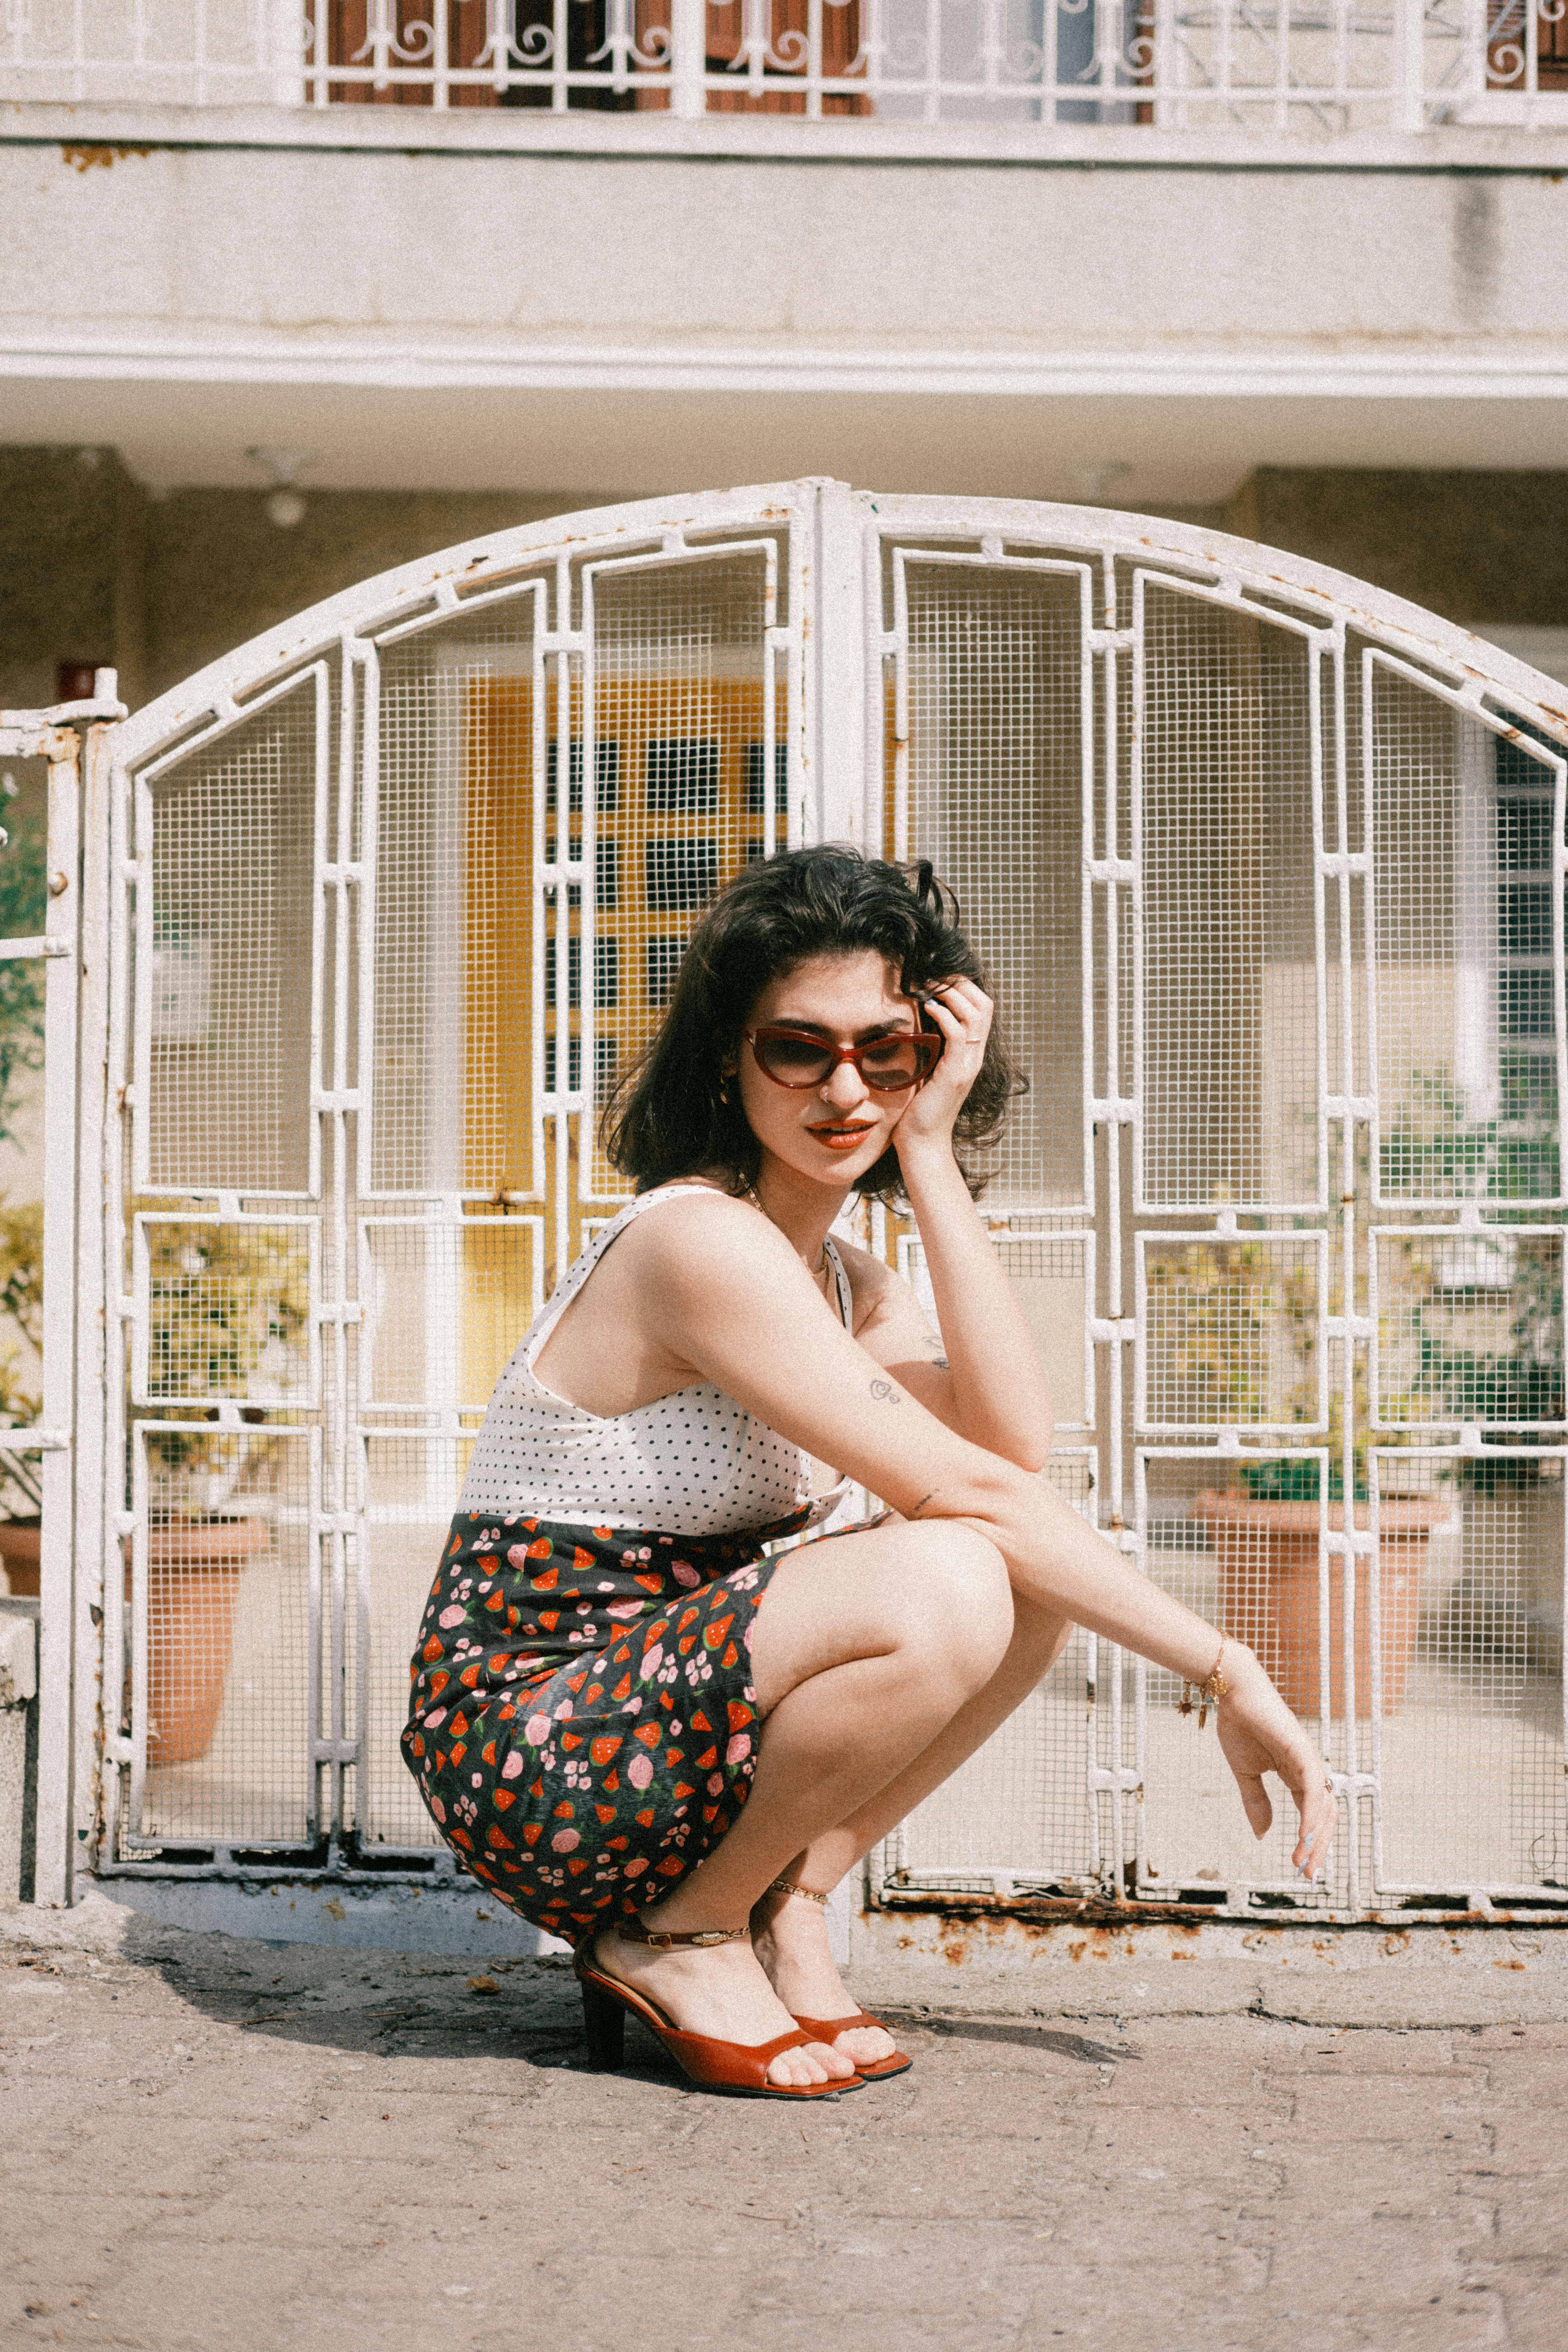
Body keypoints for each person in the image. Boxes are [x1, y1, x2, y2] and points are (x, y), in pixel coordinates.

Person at [402, 846, 1335, 2101]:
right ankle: (680, 1933)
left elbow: (1008, 1454)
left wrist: (931, 1152)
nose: (845, 1088)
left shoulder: (844, 1279)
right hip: (537, 1746)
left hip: (672, 1723)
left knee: (1022, 1572)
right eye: (799, 1048)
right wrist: (1225, 1667)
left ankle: (787, 1904)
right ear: (728, 1059)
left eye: (884, 1052)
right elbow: (978, 1499)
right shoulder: (697, 1243)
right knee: (948, 1572)